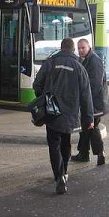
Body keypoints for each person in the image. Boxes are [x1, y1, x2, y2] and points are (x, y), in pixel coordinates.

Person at [33, 38, 94, 195]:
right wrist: (89, 119)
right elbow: (86, 96)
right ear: (73, 50)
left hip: (52, 112)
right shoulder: (80, 67)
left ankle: (58, 176)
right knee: (65, 142)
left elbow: (37, 84)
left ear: (60, 48)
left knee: (53, 144)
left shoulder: (50, 63)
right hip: (70, 113)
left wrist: (44, 99)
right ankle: (64, 172)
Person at [72, 38, 109, 166]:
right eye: (78, 48)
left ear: (89, 47)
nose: (80, 50)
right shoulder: (85, 60)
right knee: (85, 128)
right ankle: (84, 153)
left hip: (95, 103)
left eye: (83, 48)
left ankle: (100, 153)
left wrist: (87, 103)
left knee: (91, 127)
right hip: (91, 102)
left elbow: (95, 86)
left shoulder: (94, 61)